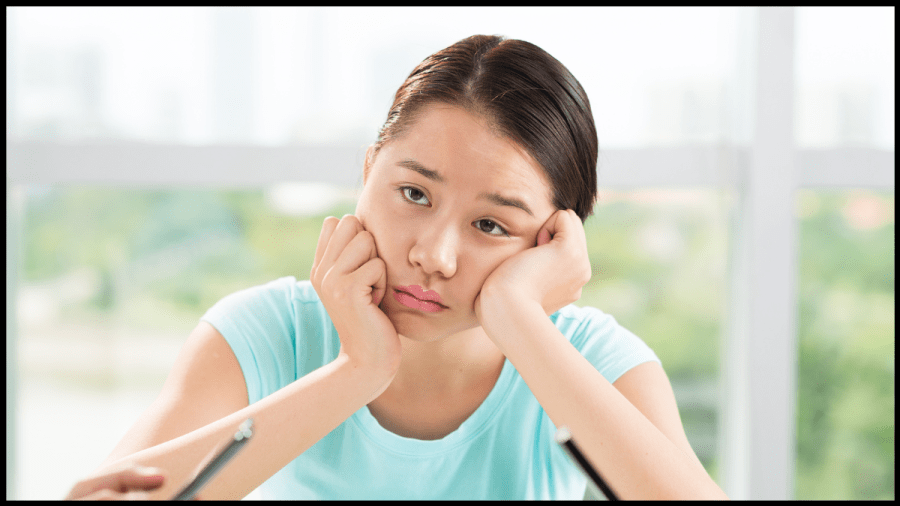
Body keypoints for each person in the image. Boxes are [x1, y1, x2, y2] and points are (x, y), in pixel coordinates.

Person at [86, 34, 728, 500]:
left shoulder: (597, 362)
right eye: (414, 194)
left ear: (554, 243)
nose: (432, 254)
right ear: (369, 173)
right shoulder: (265, 334)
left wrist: (520, 322)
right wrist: (356, 371)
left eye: (490, 225)